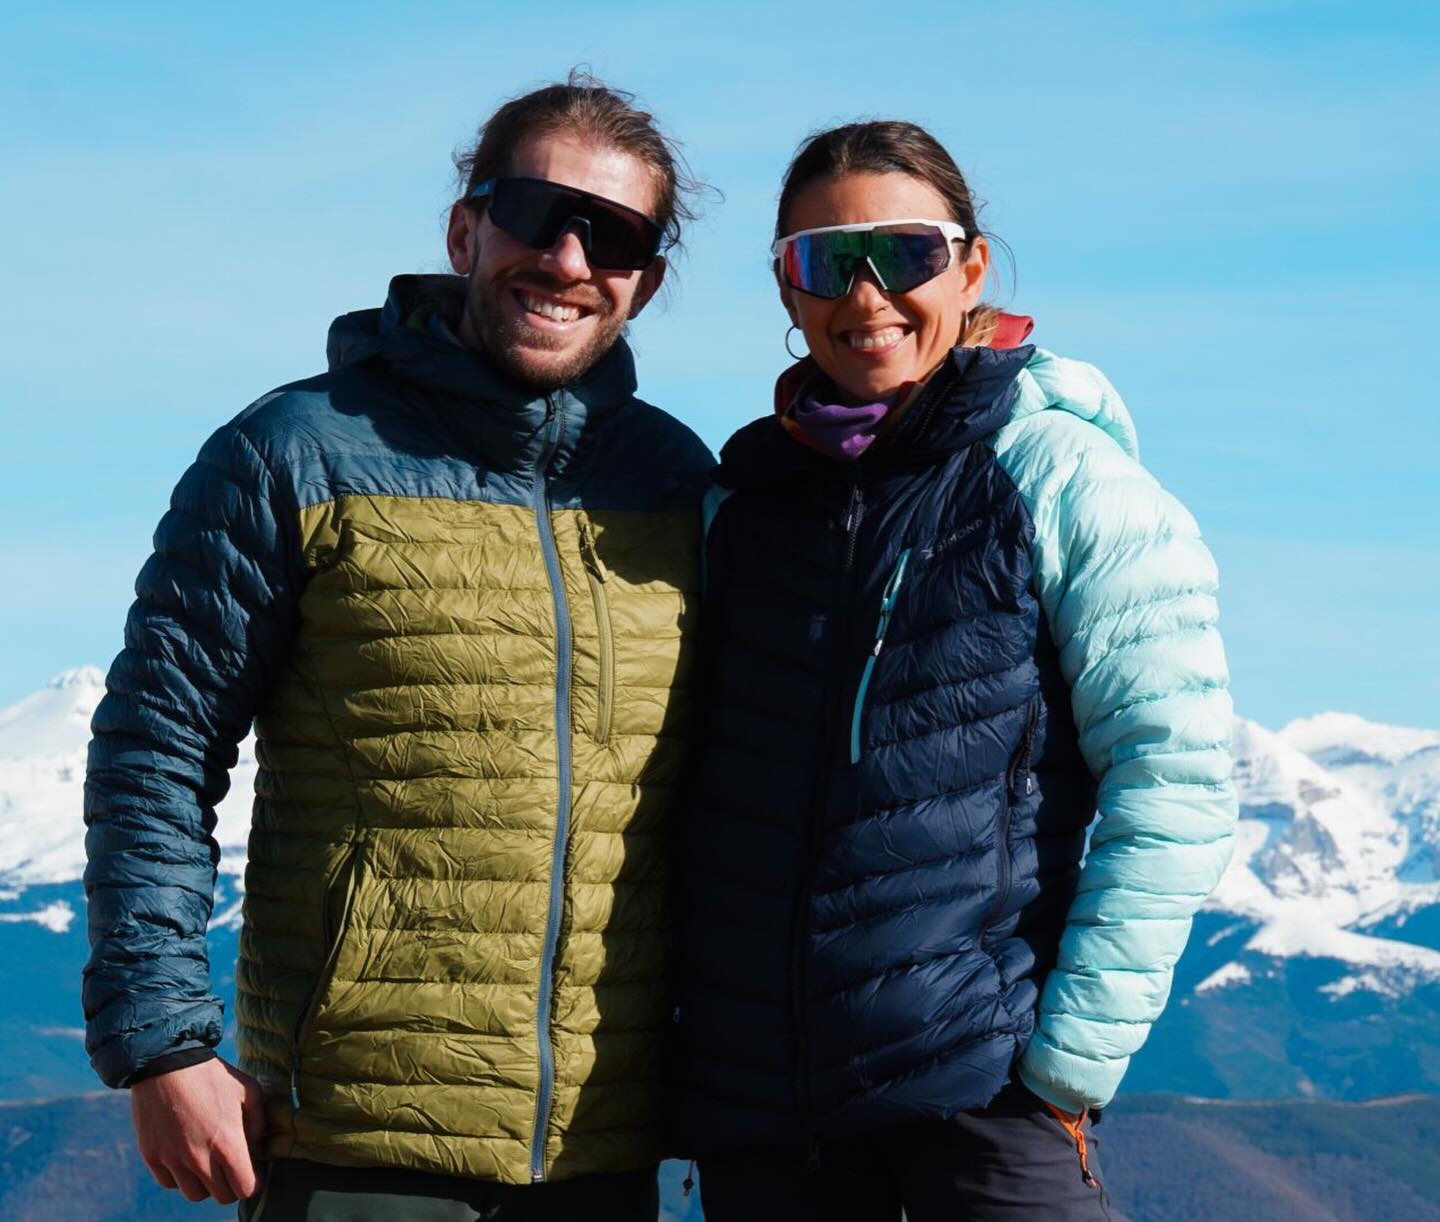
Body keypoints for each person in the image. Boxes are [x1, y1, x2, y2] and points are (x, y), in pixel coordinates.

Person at [81, 73, 714, 1220]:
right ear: (466, 231)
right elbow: (156, 746)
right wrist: (161, 1040)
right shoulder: (295, 452)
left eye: (615, 235)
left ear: (646, 281)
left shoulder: (678, 484)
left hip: (608, 1154)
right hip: (354, 1144)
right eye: (537, 214)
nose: (569, 259)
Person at [671, 120, 1238, 1220]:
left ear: (971, 268)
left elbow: (1175, 777)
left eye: (907, 253)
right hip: (765, 1119)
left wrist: (1068, 1066)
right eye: (825, 260)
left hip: (982, 1095)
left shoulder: (1064, 478)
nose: (867, 293)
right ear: (787, 286)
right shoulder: (741, 504)